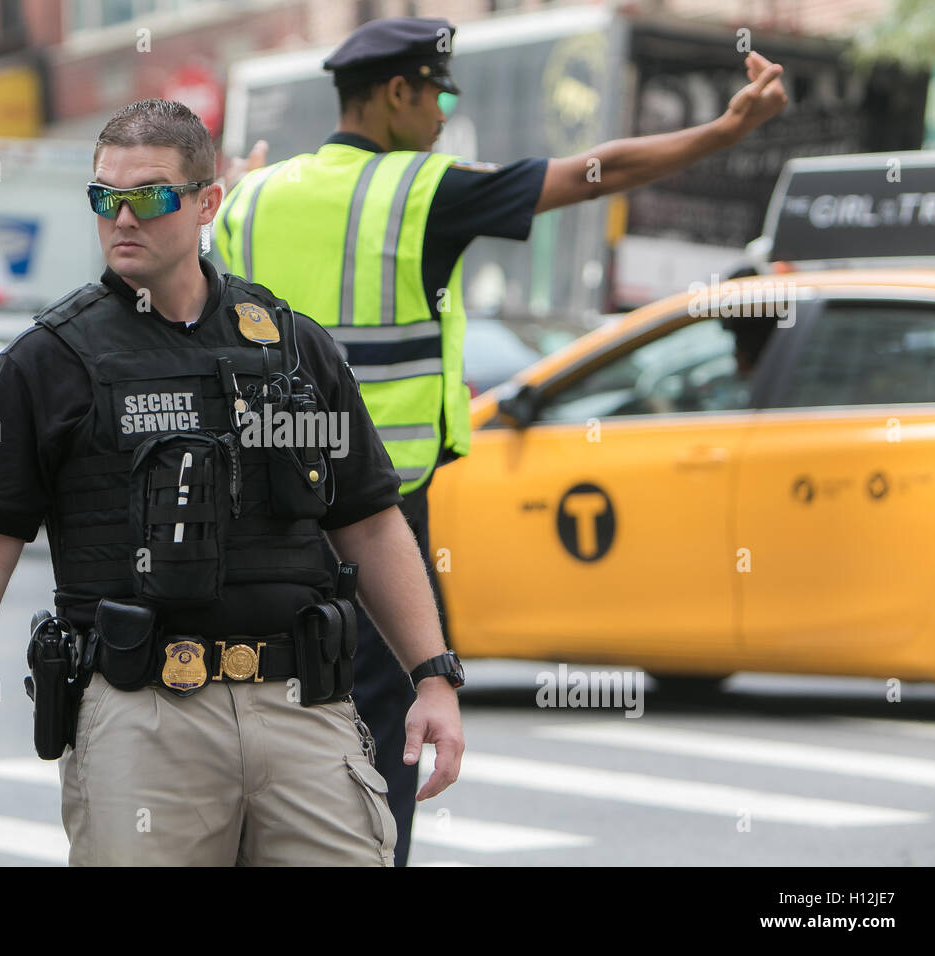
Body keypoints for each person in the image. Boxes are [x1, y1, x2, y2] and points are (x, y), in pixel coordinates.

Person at [215, 15, 789, 864]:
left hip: (253, 515)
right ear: (397, 94)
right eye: (439, 92)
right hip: (377, 518)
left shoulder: (251, 195)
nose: (447, 110)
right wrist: (727, 128)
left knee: (253, 720)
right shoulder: (422, 191)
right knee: (381, 732)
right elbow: (601, 172)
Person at [0, 98, 464, 867]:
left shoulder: (293, 349)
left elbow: (368, 517)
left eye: (151, 196)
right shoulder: (49, 362)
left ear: (207, 202)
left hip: (302, 707)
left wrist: (432, 677)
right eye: (106, 198)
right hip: (142, 713)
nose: (123, 217)